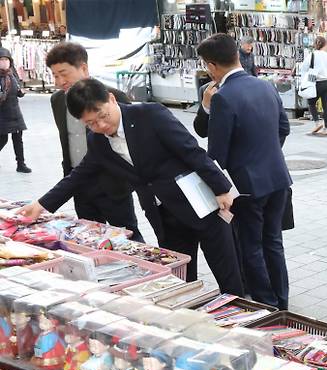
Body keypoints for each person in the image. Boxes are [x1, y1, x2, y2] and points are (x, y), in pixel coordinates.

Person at [17, 78, 243, 295]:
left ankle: (242, 320)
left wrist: (221, 188)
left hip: (199, 203)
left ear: (112, 99)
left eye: (103, 116)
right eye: (91, 123)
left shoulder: (150, 114)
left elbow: (190, 150)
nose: (101, 125)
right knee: (181, 280)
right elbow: (79, 176)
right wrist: (41, 204)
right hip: (163, 215)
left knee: (227, 272)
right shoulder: (98, 142)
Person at [197, 34, 291, 310]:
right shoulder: (266, 86)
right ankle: (281, 301)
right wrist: (266, 153)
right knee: (273, 241)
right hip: (278, 177)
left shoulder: (224, 97)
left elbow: (216, 151)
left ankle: (266, 304)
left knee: (252, 246)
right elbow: (283, 129)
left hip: (246, 184)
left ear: (212, 65)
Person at [45, 42, 143, 241]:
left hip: (113, 185)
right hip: (79, 184)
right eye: (55, 75)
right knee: (88, 239)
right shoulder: (57, 101)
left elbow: (131, 142)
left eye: (64, 73)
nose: (59, 81)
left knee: (126, 238)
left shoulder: (111, 97)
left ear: (83, 68)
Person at [0, 48, 30, 173]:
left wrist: (21, 92)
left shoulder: (12, 73)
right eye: (1, 59)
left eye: (6, 59)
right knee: (3, 139)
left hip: (15, 111)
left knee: (18, 139)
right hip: (2, 113)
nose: (4, 62)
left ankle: (21, 164)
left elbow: (17, 89)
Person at [301, 36, 327, 135]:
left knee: (311, 103)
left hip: (315, 81)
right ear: (325, 45)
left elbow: (303, 69)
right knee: (326, 107)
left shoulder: (311, 55)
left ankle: (317, 123)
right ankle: (326, 129)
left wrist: (306, 80)